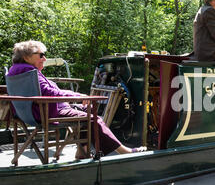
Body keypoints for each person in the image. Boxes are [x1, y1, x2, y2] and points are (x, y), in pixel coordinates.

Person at [8, 40, 146, 159]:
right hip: (47, 112)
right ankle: (123, 151)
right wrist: (79, 96)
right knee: (93, 119)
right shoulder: (29, 73)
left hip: (30, 113)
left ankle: (83, 151)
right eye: (41, 55)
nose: (44, 59)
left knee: (88, 110)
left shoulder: (16, 72)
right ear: (26, 57)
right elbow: (49, 92)